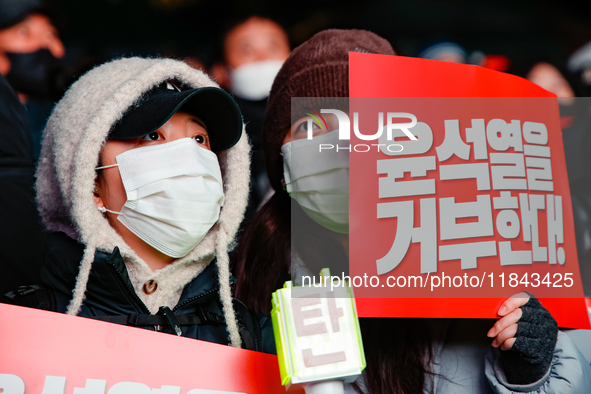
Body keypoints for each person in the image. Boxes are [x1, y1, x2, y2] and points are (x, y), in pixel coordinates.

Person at [233, 29, 591, 392]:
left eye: (362, 119)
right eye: (308, 125)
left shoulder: (486, 248)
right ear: (281, 159)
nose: (337, 141)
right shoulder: (250, 281)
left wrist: (534, 372)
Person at [4, 57, 275, 354]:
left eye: (200, 138)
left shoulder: (257, 338)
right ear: (89, 181)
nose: (188, 156)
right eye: (152, 135)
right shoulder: (21, 327)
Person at [211, 16, 291, 217]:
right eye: (247, 50)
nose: (262, 57)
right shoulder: (215, 141)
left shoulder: (326, 120)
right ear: (221, 73)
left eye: (273, 47)